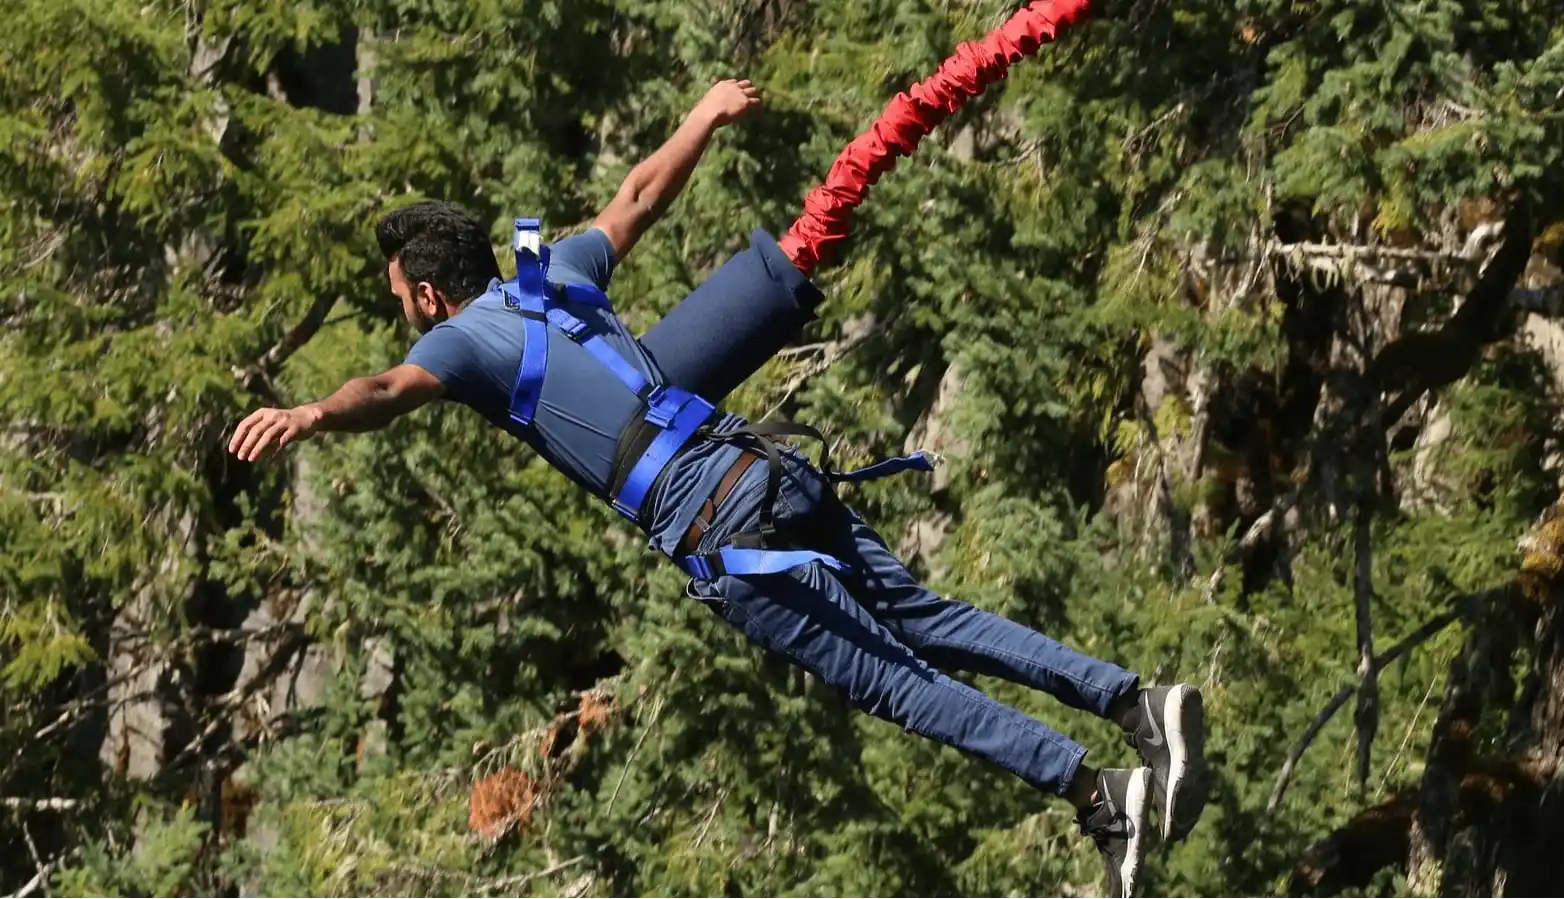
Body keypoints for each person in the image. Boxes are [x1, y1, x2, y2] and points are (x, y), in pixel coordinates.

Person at [229, 78, 1207, 898]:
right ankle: (1132, 702)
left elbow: (389, 388)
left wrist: (314, 413)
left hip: (713, 519)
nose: (407, 320)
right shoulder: (550, 273)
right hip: (765, 465)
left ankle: (1095, 793)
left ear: (431, 296)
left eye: (402, 302)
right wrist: (701, 114)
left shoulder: (456, 341)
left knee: (896, 684)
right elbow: (639, 197)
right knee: (924, 614)